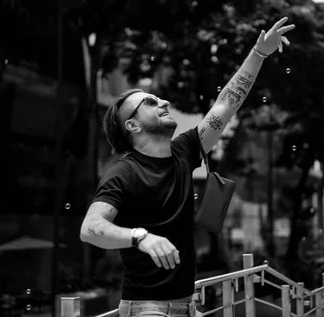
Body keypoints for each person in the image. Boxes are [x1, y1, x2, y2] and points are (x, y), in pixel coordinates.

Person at [80, 17, 295, 317]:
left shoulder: (184, 150)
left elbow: (226, 104)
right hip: (148, 310)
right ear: (132, 125)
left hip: (187, 307)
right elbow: (90, 229)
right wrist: (141, 237)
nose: (164, 102)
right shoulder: (123, 172)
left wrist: (258, 54)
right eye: (151, 103)